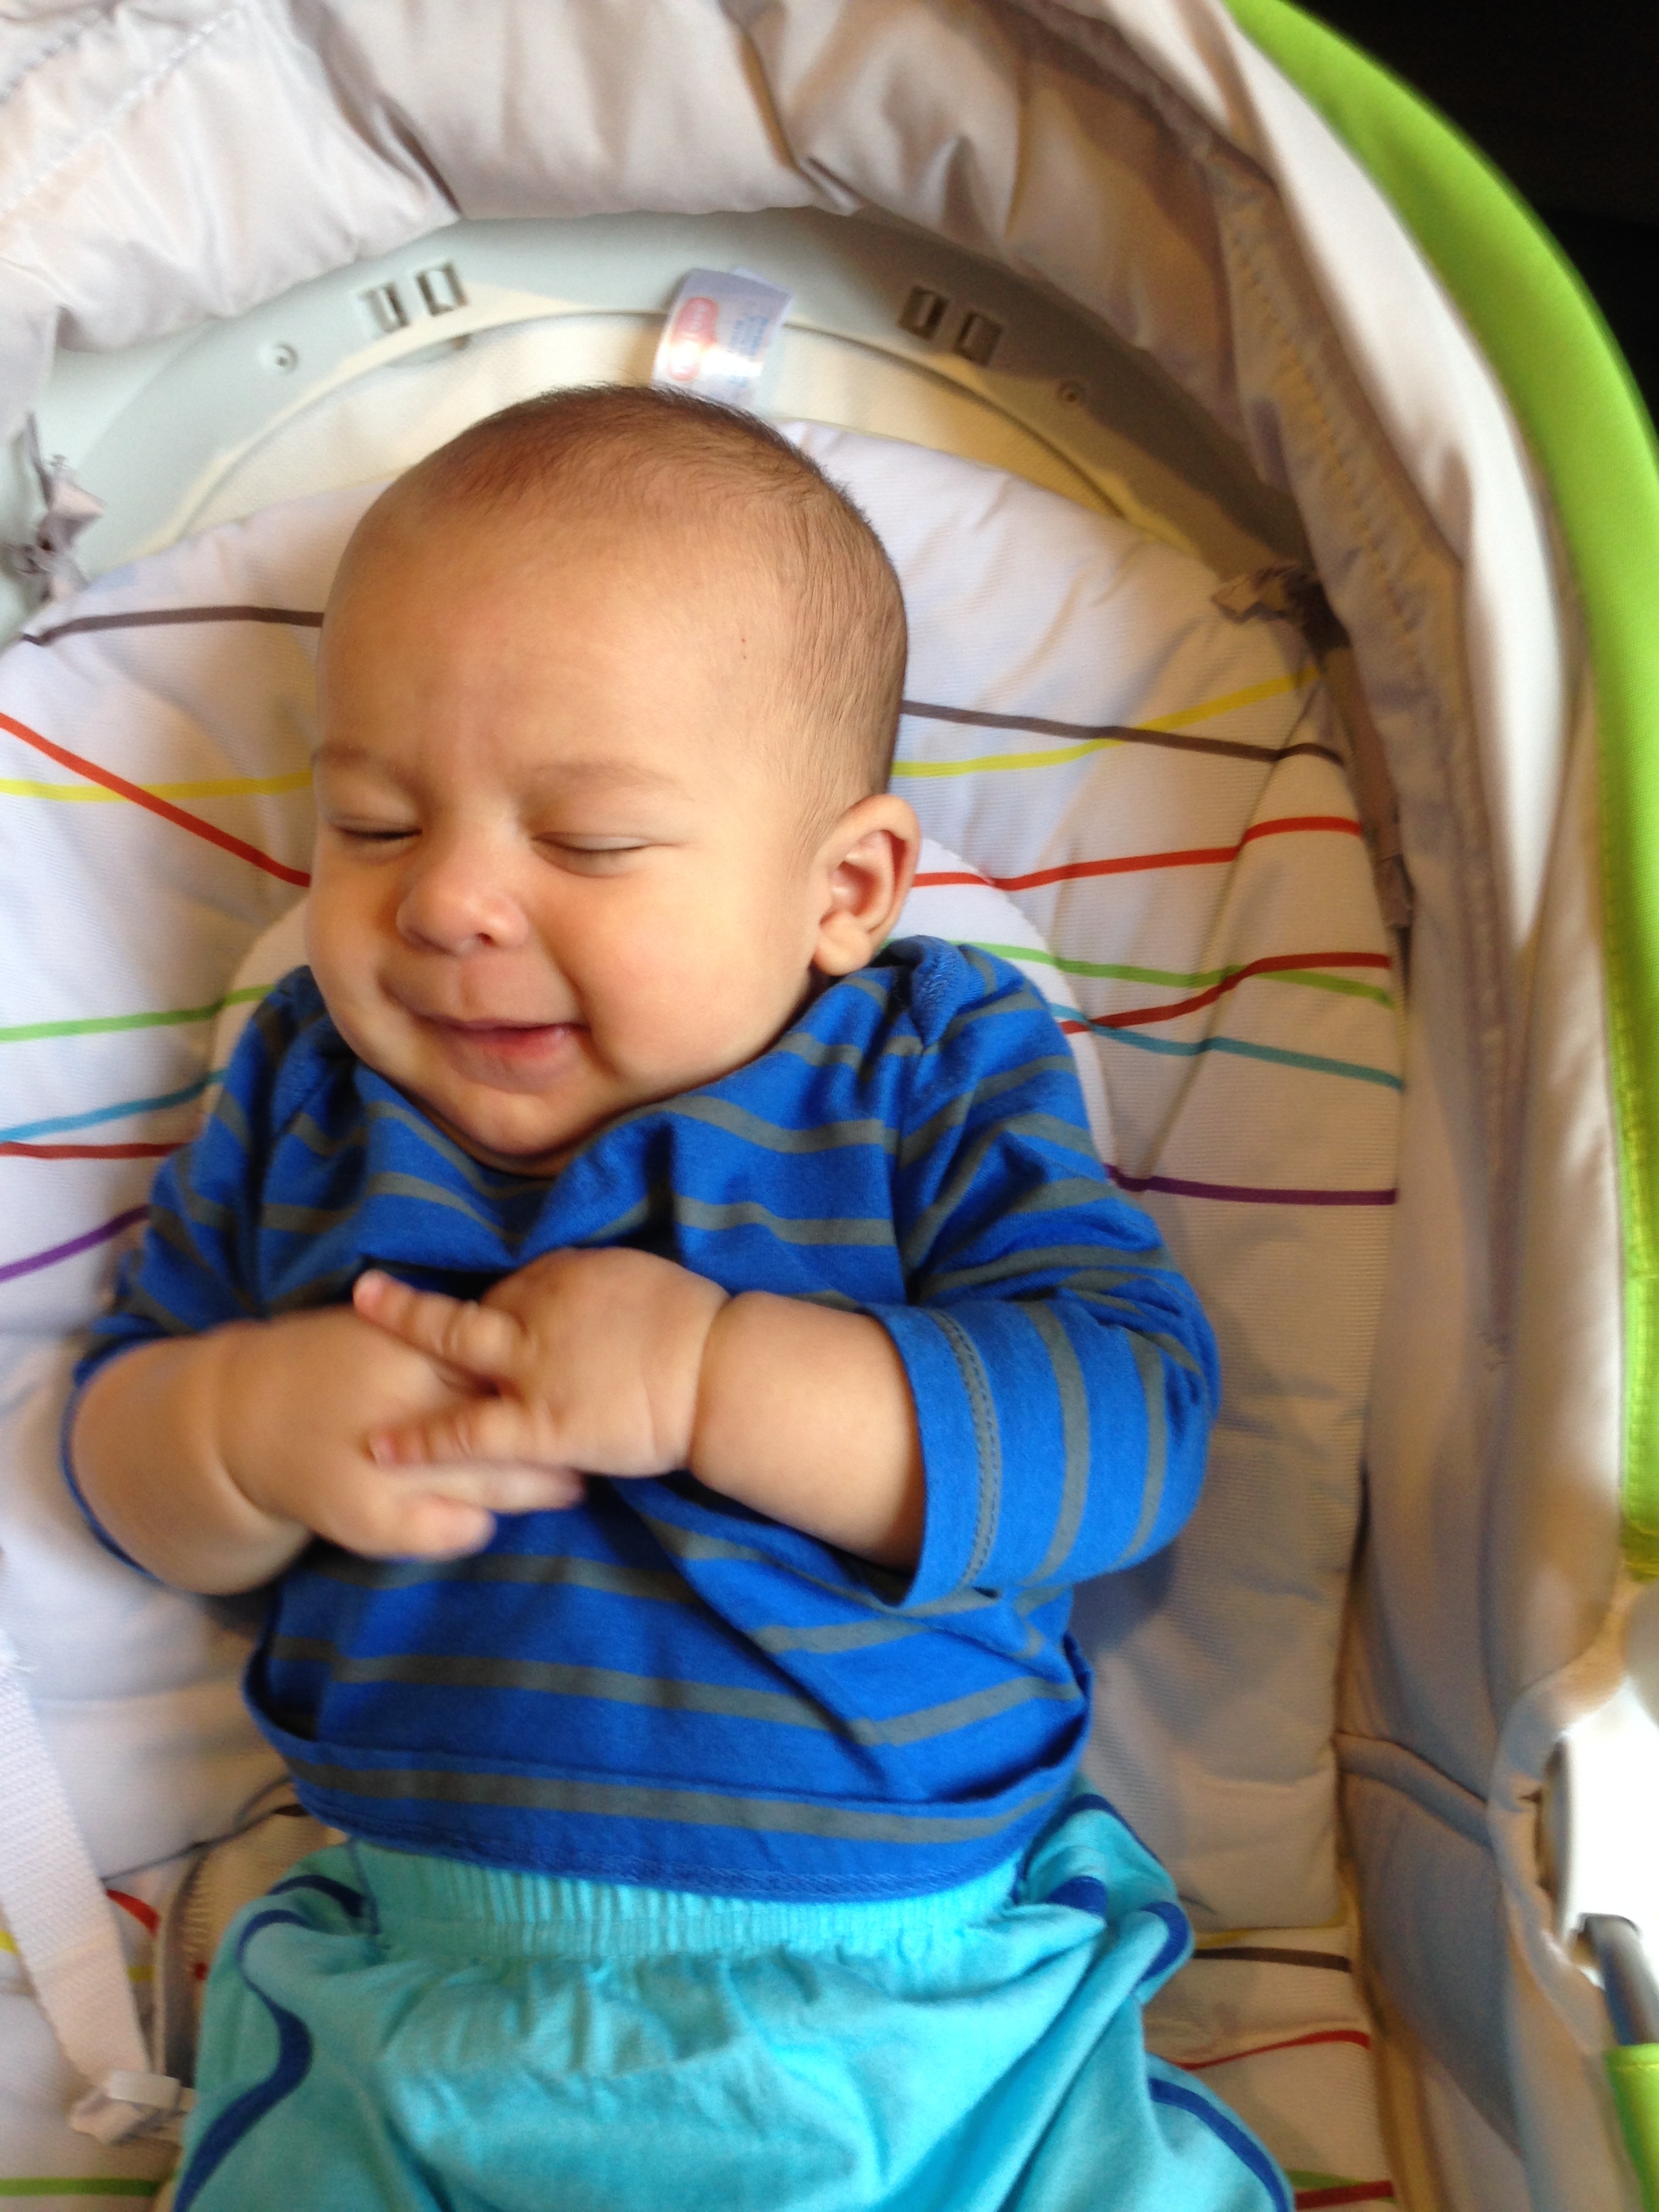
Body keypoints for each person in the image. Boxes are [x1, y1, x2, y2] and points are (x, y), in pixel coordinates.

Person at [68, 386, 1286, 2211]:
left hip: (932, 2019)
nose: (450, 901)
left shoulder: (921, 1071)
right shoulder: (310, 1093)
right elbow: (118, 1453)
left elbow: (1125, 1430)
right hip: (421, 2007)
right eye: (375, 824)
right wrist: (238, 1431)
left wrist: (718, 1380)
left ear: (845, 888)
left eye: (587, 843)